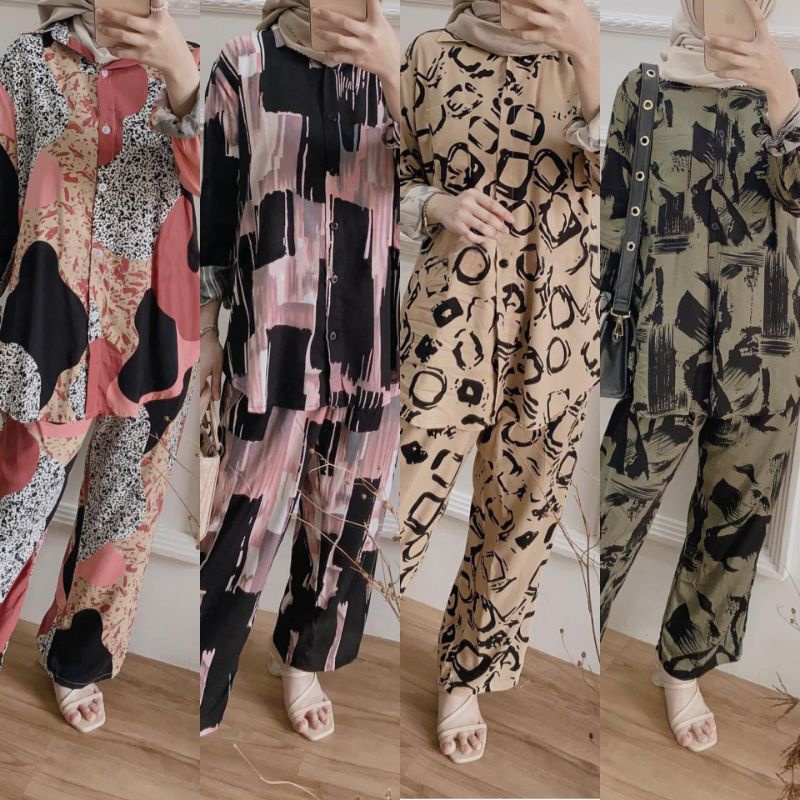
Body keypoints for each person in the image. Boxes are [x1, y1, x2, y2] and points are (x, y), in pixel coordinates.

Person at [397, 0, 600, 764]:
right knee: (395, 502)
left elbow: (628, 195)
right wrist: (439, 203)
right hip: (449, 316)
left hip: (556, 329)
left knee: (519, 518)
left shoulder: (582, 57)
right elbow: (387, 177)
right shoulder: (428, 54)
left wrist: (589, 59)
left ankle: (466, 674)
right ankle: (334, 640)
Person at [599, 0, 800, 753]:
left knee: (733, 530)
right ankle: (564, 635)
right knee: (610, 512)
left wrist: (784, 96)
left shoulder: (793, 90)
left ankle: (683, 668)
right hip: (662, 350)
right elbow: (610, 225)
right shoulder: (644, 89)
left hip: (768, 357)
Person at [198, 0, 401, 739]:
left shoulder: (397, 71)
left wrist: (395, 73)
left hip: (371, 344)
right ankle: (207, 674)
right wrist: (208, 331)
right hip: (271, 347)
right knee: (239, 525)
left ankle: (304, 660)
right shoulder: (244, 65)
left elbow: (441, 185)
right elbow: (216, 210)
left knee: (344, 526)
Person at [0, 0, 200, 732]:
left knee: (123, 513)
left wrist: (182, 78)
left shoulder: (192, 68)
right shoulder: (27, 63)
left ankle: (76, 658)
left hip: (157, 328)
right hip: (44, 331)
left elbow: (229, 196)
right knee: (13, 503)